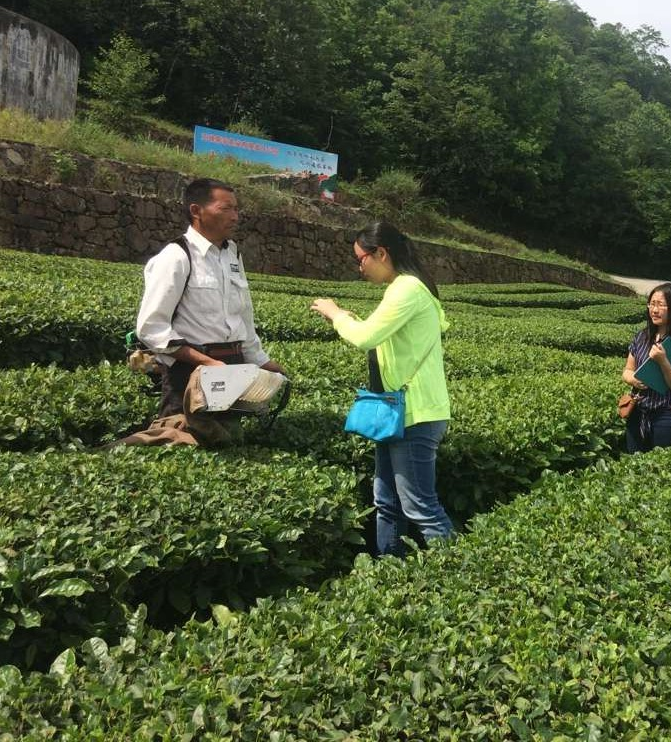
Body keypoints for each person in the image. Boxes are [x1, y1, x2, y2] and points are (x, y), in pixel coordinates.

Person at [310, 221, 454, 556]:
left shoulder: (408, 289)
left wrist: (335, 314)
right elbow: (380, 337)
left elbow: (365, 337)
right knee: (387, 501)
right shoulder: (403, 288)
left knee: (420, 507)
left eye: (361, 259)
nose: (359, 267)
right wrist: (346, 319)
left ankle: (464, 571)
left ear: (381, 254)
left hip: (415, 415)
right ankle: (390, 571)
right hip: (395, 412)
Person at [136, 178, 284, 421]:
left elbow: (243, 317)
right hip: (190, 371)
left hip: (233, 366)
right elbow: (151, 328)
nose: (235, 217)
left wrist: (262, 361)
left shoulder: (232, 254)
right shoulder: (176, 256)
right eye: (225, 209)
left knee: (229, 437)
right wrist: (207, 362)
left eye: (236, 209)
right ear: (197, 211)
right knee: (184, 437)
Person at [621, 282, 671, 453]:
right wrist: (633, 379)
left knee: (660, 464)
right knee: (634, 462)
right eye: (652, 304)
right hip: (637, 412)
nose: (654, 310)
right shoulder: (642, 336)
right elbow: (627, 371)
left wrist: (663, 362)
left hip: (667, 416)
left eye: (660, 305)